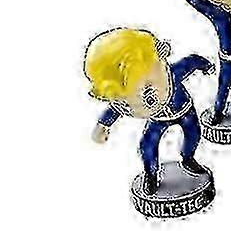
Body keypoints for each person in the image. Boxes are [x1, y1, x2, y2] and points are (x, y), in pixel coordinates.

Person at [85, 28, 214, 194]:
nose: (137, 102)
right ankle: (151, 174)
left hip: (184, 111)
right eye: (127, 100)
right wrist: (103, 125)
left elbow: (191, 62)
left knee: (193, 134)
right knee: (147, 145)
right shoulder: (123, 100)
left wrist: (206, 65)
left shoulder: (171, 75)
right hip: (157, 119)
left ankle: (188, 157)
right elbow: (113, 110)